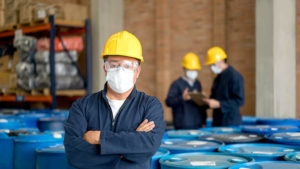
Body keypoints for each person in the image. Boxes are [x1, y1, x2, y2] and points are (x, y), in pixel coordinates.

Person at [64, 31, 165, 169]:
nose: (121, 70)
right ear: (105, 68)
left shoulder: (150, 106)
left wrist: (100, 138)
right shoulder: (82, 106)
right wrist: (130, 145)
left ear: (138, 71)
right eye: (114, 64)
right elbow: (74, 154)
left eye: (128, 65)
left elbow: (149, 146)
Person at [203, 46, 245, 126]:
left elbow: (239, 101)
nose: (212, 67)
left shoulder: (235, 76)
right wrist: (207, 100)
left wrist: (219, 104)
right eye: (210, 65)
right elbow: (214, 97)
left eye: (213, 64)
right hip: (218, 121)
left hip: (230, 122)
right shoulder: (218, 78)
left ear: (222, 60)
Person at [165, 52, 207, 129]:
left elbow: (201, 106)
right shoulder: (176, 84)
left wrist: (203, 121)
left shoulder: (197, 83)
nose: (193, 72)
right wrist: (182, 98)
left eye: (195, 70)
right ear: (184, 68)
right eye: (190, 69)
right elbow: (168, 102)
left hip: (197, 123)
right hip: (182, 125)